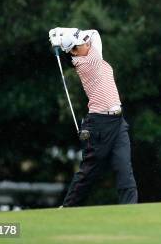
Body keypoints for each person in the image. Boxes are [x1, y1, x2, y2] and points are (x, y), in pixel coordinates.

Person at [49, 27, 138, 207]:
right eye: (82, 43)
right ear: (74, 51)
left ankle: (129, 209)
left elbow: (92, 35)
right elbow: (95, 33)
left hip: (118, 122)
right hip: (99, 124)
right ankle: (67, 207)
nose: (87, 42)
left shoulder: (89, 52)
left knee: (124, 167)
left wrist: (63, 33)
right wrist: (62, 33)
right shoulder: (86, 61)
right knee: (89, 171)